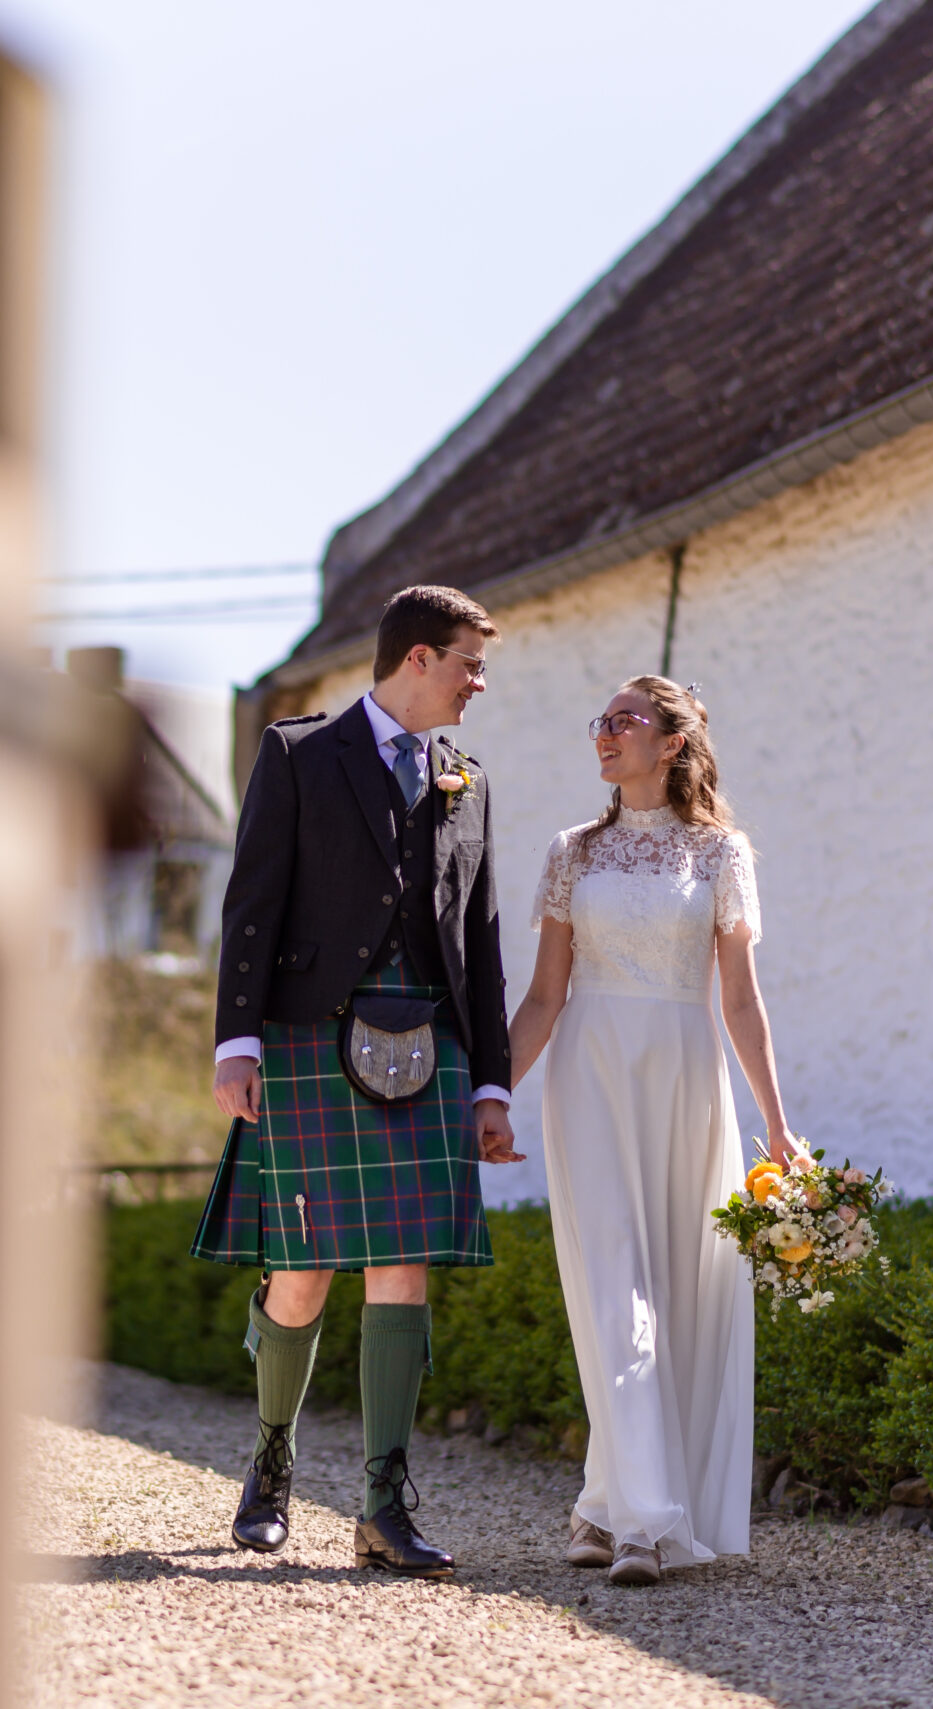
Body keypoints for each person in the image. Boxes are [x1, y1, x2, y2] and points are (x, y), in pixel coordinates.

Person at [189, 584, 523, 1580]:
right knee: (302, 1271)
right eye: (468, 663)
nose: (478, 683)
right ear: (417, 657)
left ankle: (382, 1504)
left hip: (430, 1036)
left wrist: (492, 1084)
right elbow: (252, 902)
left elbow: (479, 941)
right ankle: (271, 1465)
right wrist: (235, 1040)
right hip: (308, 1033)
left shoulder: (467, 779)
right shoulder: (300, 754)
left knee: (404, 1262)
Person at [507, 675, 794, 1587]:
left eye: (623, 720)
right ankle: (647, 1522)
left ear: (672, 741)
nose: (604, 732)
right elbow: (544, 996)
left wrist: (777, 1124)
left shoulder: (720, 853)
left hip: (683, 1077)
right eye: (599, 720)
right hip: (588, 1072)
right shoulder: (572, 852)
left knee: (667, 1288)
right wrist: (486, 1095)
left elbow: (740, 1000)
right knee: (612, 1284)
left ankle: (601, 1503)